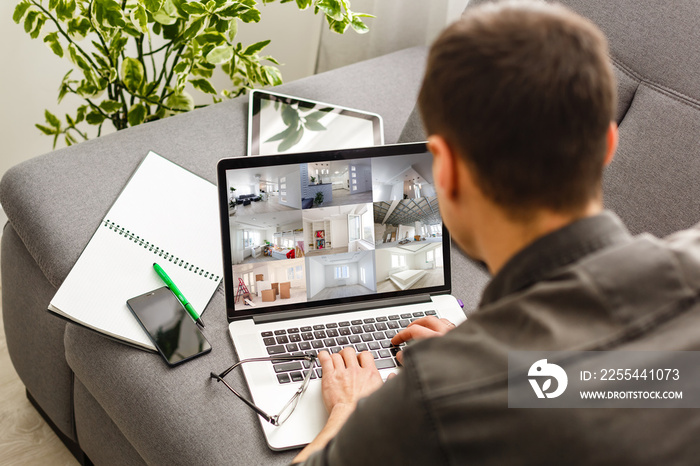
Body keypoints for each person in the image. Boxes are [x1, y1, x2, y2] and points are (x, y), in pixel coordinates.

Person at [293, 1, 700, 464]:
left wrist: (349, 408)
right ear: (608, 144)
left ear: (442, 169)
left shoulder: (434, 403)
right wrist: (509, 372)